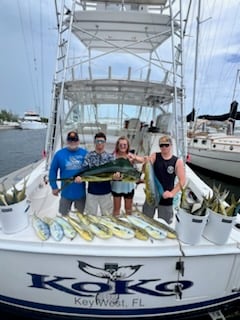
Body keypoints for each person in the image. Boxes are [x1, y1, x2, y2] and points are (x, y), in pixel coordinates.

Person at [142, 135, 186, 224]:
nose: (164, 147)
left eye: (166, 145)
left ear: (171, 145)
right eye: (161, 145)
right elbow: (145, 170)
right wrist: (145, 163)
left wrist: (172, 193)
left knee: (165, 224)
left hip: (166, 198)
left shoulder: (177, 161)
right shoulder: (155, 156)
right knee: (145, 220)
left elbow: (182, 180)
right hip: (152, 195)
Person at [49, 131, 88, 216]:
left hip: (81, 193)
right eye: (70, 140)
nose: (72, 142)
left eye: (75, 140)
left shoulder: (85, 153)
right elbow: (53, 171)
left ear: (78, 141)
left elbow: (90, 170)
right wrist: (54, 186)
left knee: (80, 217)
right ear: (67, 141)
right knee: (63, 216)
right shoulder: (59, 154)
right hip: (65, 193)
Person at [83, 132, 115, 216]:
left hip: (106, 192)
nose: (99, 143)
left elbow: (114, 173)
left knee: (107, 216)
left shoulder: (110, 157)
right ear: (94, 142)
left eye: (102, 141)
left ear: (105, 143)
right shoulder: (88, 156)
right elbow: (83, 171)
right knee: (90, 216)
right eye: (97, 141)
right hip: (91, 192)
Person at [111, 136, 142, 216]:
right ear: (117, 145)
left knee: (128, 210)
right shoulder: (112, 157)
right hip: (117, 186)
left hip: (129, 186)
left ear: (128, 146)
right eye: (121, 144)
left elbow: (143, 160)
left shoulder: (131, 156)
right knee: (116, 209)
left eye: (125, 144)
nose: (122, 146)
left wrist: (134, 157)